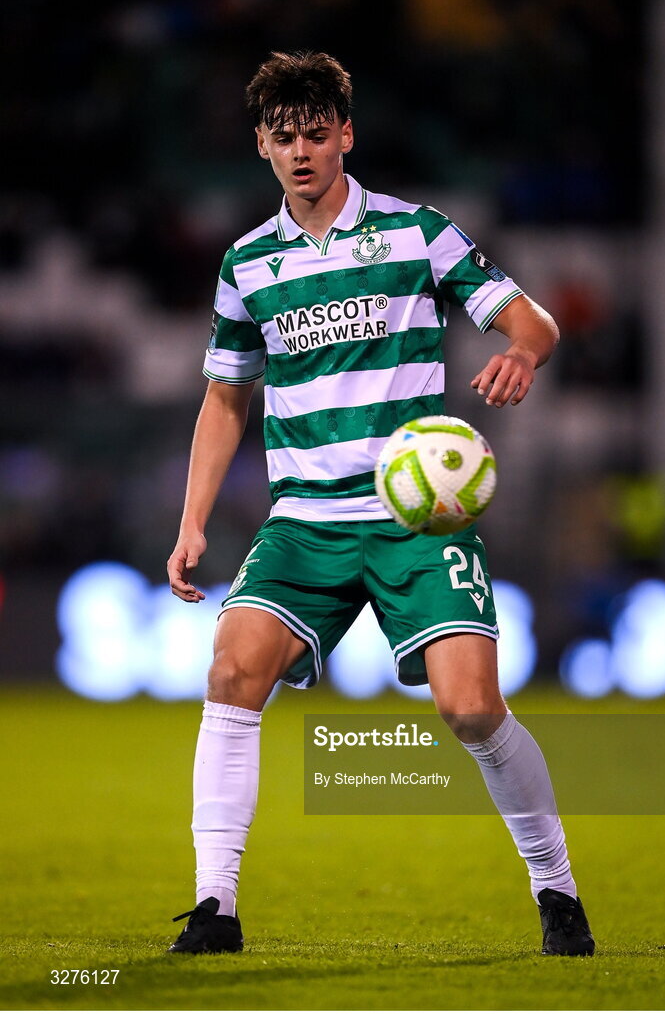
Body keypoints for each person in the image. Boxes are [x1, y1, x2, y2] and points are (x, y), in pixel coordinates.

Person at [166, 50, 594, 958]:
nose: (302, 152)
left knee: (471, 710)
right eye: (284, 139)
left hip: (414, 519)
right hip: (306, 519)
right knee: (232, 671)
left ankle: (555, 887)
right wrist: (193, 518)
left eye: (317, 133)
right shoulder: (247, 264)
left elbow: (534, 322)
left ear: (346, 134)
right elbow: (223, 399)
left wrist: (522, 353)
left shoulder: (419, 233)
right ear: (261, 147)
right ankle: (215, 905)